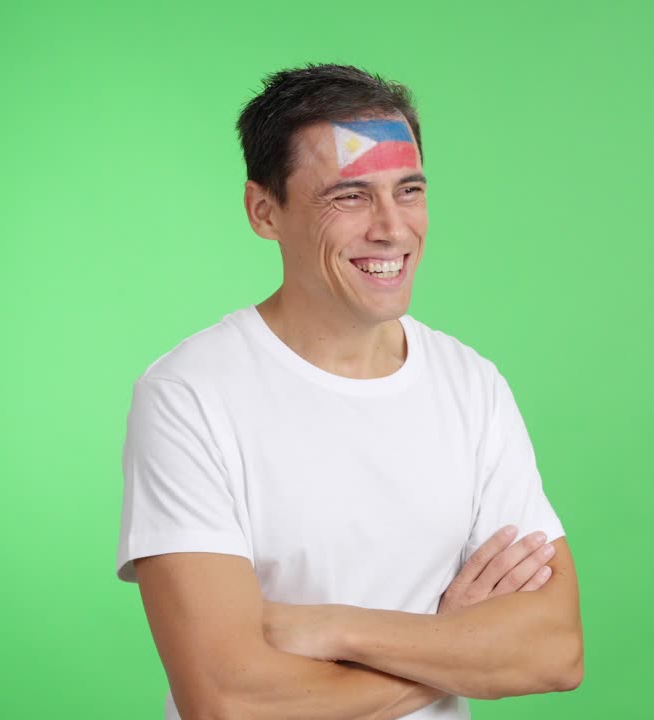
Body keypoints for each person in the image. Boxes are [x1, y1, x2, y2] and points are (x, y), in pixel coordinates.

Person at [115, 63, 583, 720]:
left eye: (410, 190)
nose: (392, 228)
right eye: (349, 197)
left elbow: (555, 650)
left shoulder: (471, 385)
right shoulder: (188, 396)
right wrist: (452, 648)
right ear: (263, 211)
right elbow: (228, 702)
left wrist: (339, 628)